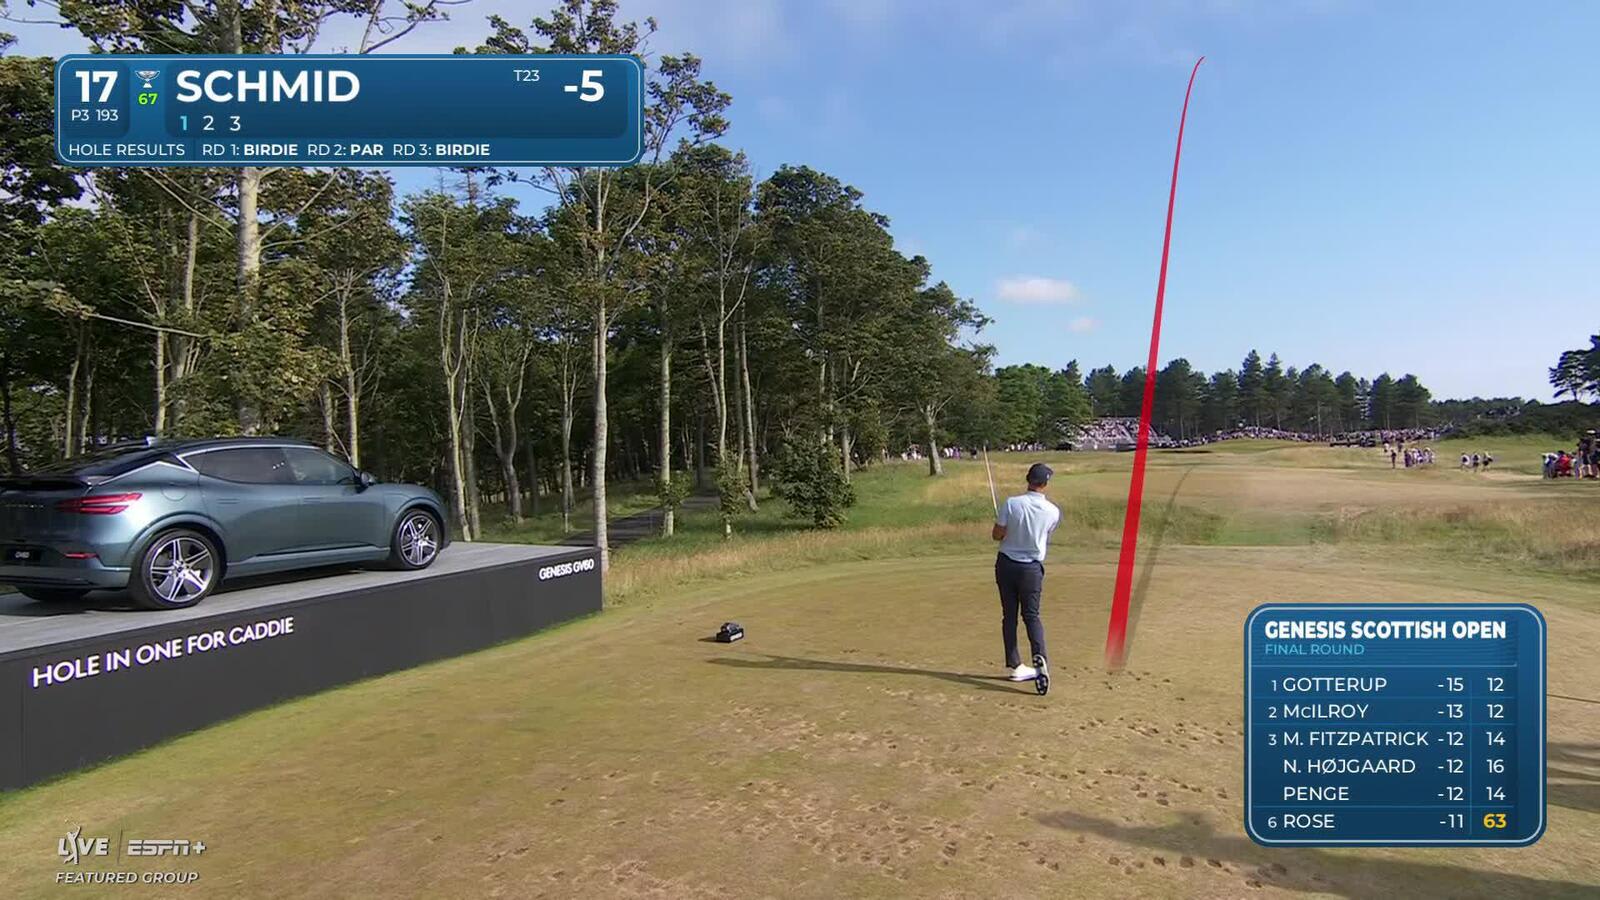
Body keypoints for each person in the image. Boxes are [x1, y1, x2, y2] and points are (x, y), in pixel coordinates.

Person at [991, 462, 1061, 690]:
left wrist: (1008, 530)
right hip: (1031, 569)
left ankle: (1015, 666)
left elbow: (997, 535)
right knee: (1031, 616)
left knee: (1009, 615)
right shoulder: (1052, 511)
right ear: (1046, 483)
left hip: (1006, 565)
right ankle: (1040, 659)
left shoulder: (1012, 504)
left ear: (1028, 480)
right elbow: (1045, 533)